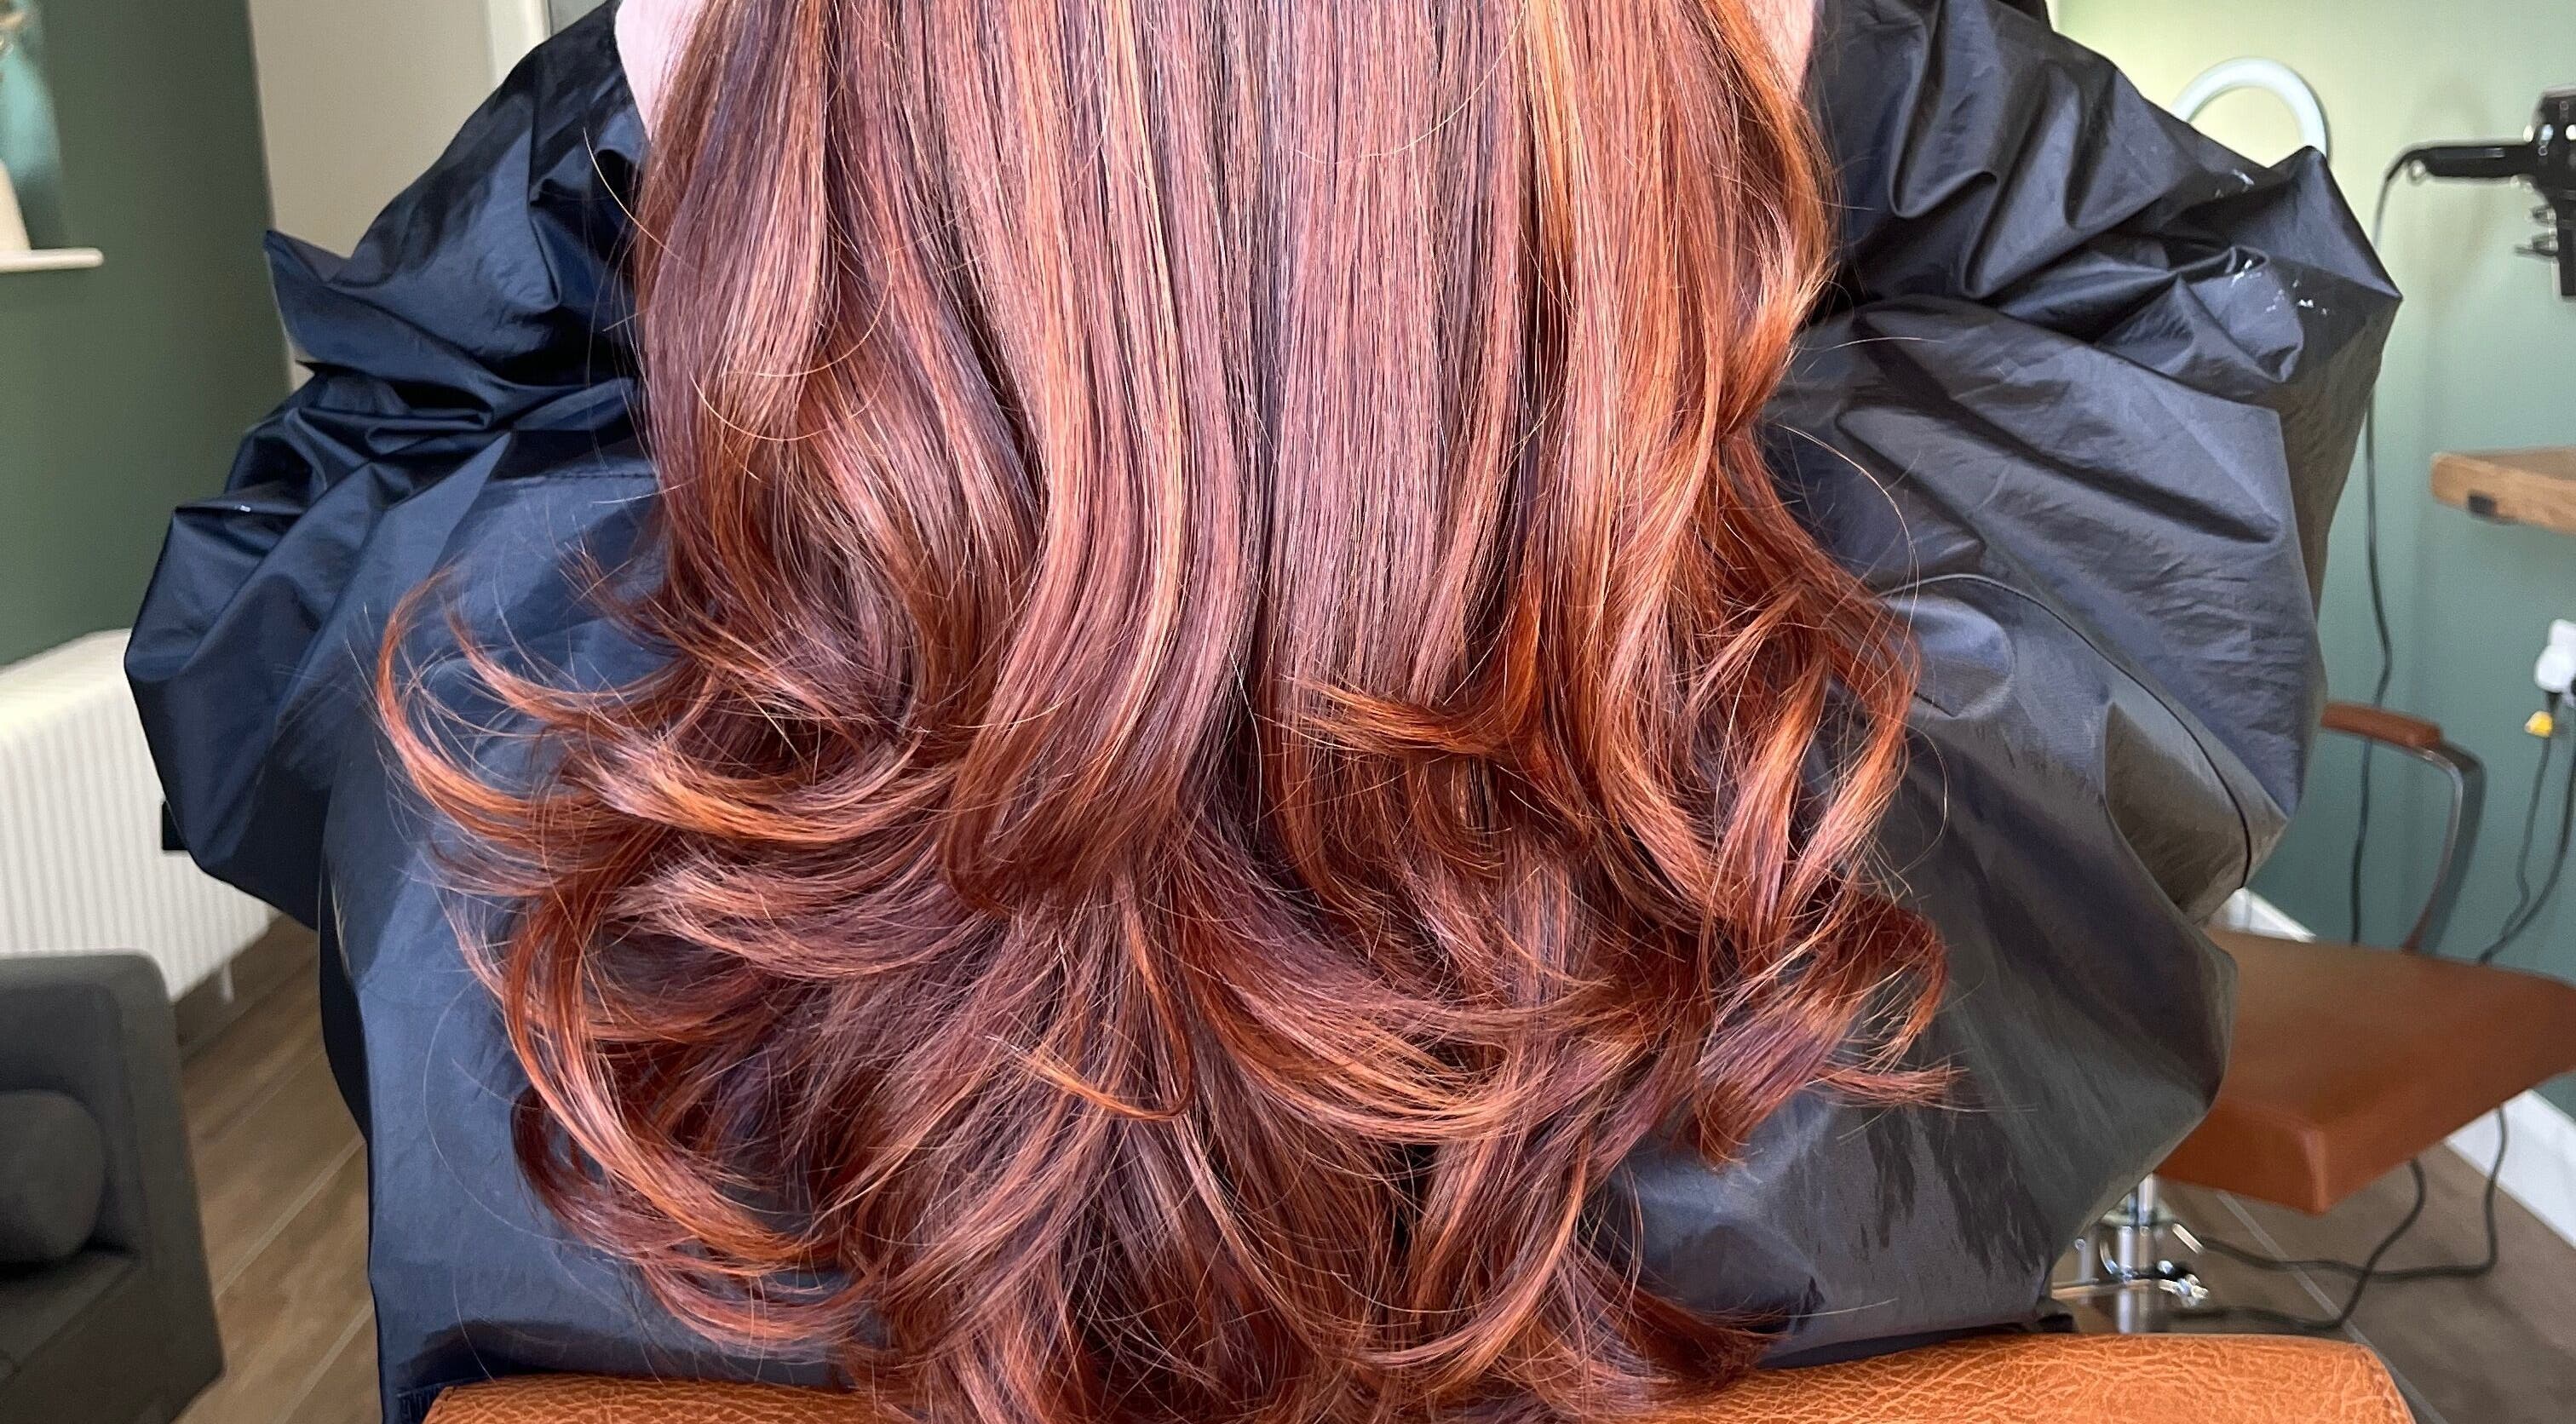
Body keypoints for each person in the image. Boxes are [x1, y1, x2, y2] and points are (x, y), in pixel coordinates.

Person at [127, 2, 2395, 1421]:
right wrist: (1789, 56)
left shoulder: (516, 700)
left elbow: (274, 562)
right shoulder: (1912, 717)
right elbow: (2214, 306)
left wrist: (674, 114)